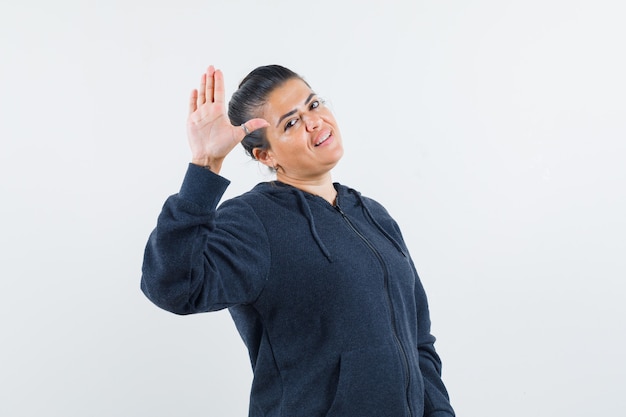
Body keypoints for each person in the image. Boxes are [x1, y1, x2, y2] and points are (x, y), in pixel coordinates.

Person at [141, 64, 455, 417]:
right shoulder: (253, 222)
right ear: (266, 155)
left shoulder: (374, 216)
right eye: (291, 123)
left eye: (314, 104)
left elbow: (418, 342)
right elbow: (172, 286)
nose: (314, 122)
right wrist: (205, 164)